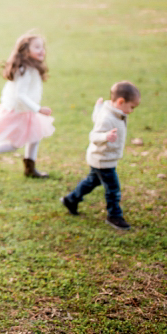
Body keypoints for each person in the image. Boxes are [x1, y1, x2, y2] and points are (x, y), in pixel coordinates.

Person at [0, 32, 55, 178]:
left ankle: (30, 168)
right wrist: (38, 109)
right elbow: (20, 95)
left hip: (27, 111)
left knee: (35, 137)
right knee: (15, 144)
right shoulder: (24, 70)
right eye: (37, 47)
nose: (42, 50)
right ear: (25, 51)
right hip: (18, 111)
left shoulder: (31, 67)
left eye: (42, 47)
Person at [61, 81, 140, 231]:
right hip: (103, 160)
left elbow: (96, 116)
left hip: (103, 158)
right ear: (120, 102)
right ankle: (114, 215)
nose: (131, 111)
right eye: (132, 107)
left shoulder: (113, 110)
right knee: (113, 189)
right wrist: (105, 136)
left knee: (91, 182)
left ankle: (71, 199)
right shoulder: (108, 117)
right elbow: (94, 135)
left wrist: (97, 108)